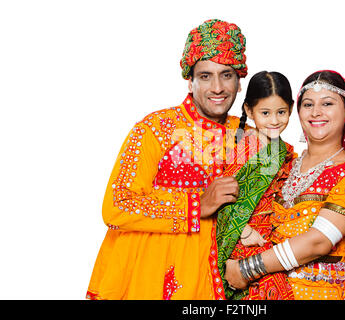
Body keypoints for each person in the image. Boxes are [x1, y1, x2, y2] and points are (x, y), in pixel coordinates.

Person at [86, 19, 249, 300]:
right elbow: (116, 205)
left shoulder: (250, 135)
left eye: (227, 75)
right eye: (206, 76)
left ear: (239, 80)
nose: (218, 87)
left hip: (225, 278)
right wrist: (197, 206)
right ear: (190, 81)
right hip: (153, 277)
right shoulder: (157, 128)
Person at [225, 70, 345, 300]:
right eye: (308, 104)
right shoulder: (283, 164)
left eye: (327, 103)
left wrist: (246, 269)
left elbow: (318, 242)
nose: (316, 112)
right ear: (296, 111)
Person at [215, 71, 296, 300]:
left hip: (270, 241)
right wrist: (245, 231)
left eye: (281, 112)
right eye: (265, 113)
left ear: (291, 108)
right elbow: (220, 197)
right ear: (249, 111)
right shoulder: (243, 147)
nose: (274, 120)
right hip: (240, 241)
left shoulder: (285, 152)